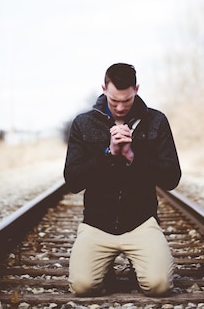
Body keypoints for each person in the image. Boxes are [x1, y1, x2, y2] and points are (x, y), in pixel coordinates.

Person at [63, 62, 181, 296]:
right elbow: (73, 181)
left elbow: (172, 178)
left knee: (159, 285)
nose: (119, 107)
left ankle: (138, 266)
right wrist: (108, 154)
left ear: (136, 89)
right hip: (97, 225)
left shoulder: (156, 121)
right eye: (114, 100)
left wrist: (131, 155)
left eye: (126, 101)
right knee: (81, 286)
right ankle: (104, 267)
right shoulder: (83, 123)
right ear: (103, 88)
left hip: (141, 223)